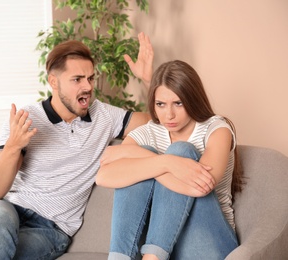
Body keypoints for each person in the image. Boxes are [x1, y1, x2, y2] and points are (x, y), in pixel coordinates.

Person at [0, 32, 153, 260]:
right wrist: (13, 147)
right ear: (53, 81)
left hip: (51, 229)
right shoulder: (27, 117)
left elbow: (159, 121)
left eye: (90, 78)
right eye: (77, 79)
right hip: (4, 208)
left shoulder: (104, 116)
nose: (87, 87)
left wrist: (149, 81)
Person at [96, 60, 244, 260]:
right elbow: (104, 176)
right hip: (170, 245)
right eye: (161, 105)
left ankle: (152, 257)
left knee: (181, 151)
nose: (169, 114)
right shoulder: (149, 132)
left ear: (192, 99)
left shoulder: (217, 129)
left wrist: (163, 161)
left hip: (209, 242)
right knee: (153, 160)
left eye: (178, 103)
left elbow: (202, 185)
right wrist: (167, 163)